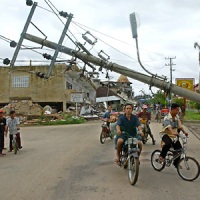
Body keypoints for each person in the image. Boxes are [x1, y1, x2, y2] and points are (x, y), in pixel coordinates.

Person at [159, 103, 188, 168]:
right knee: (168, 144)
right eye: (176, 110)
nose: (177, 112)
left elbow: (180, 126)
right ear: (172, 109)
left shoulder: (177, 117)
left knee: (179, 150)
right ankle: (162, 156)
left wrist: (184, 132)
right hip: (165, 134)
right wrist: (172, 132)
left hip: (173, 136)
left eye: (178, 110)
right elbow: (168, 126)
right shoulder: (167, 117)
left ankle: (176, 163)